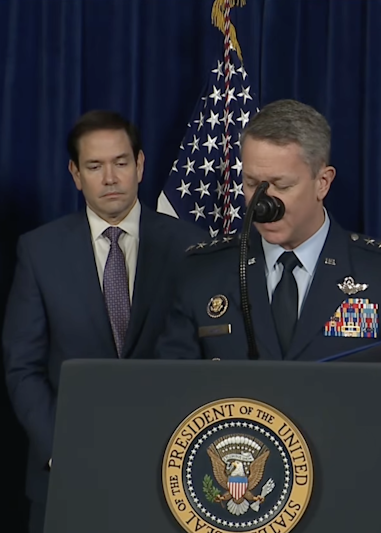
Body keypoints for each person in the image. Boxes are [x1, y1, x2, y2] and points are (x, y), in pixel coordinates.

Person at [2, 110, 205, 533]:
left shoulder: (190, 247)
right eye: (95, 166)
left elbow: (205, 357)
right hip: (67, 474)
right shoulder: (39, 252)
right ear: (76, 174)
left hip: (168, 474)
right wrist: (60, 448)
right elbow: (23, 366)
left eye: (121, 162)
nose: (110, 178)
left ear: (140, 165)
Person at [155, 99, 381, 364]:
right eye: (253, 184)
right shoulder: (202, 273)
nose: (263, 205)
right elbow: (171, 389)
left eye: (282, 186)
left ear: (322, 183)